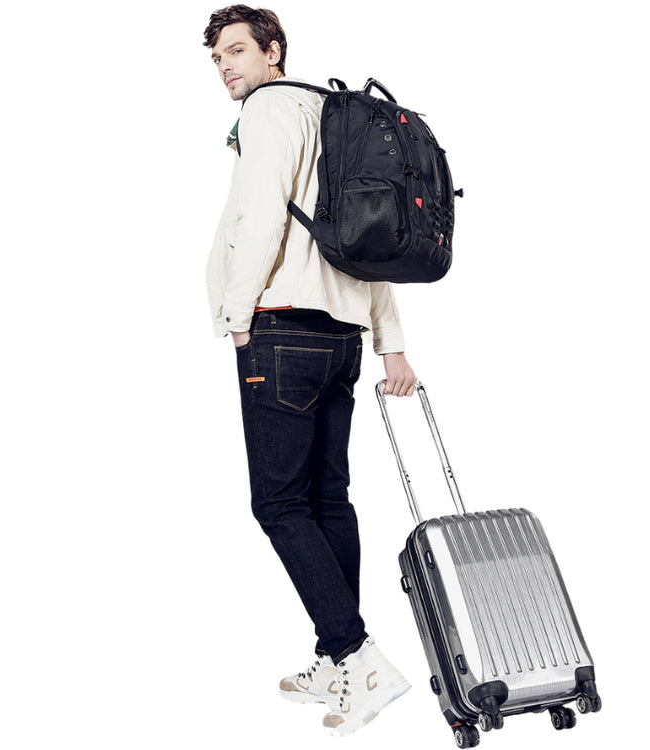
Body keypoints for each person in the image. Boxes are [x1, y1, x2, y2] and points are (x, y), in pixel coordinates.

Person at [203, 5, 415, 736]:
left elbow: (262, 216)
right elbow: (369, 241)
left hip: (281, 330)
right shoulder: (338, 117)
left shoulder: (268, 110)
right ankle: (335, 658)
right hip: (342, 338)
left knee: (279, 505)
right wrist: (391, 342)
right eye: (217, 58)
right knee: (328, 499)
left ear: (273, 51)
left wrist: (237, 314)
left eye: (237, 51)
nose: (226, 67)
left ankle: (359, 658)